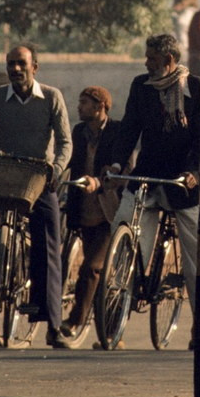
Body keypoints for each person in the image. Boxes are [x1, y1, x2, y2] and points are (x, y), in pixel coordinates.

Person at [0, 45, 72, 348]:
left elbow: (65, 142)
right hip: (5, 174)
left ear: (34, 67)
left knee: (49, 238)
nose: (16, 69)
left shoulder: (51, 97)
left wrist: (56, 170)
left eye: (21, 64)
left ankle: (53, 325)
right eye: (11, 64)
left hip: (39, 178)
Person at [106, 33, 200, 346]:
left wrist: (193, 173)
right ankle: (113, 323)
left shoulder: (196, 89)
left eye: (152, 59)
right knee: (124, 242)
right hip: (146, 177)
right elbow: (129, 128)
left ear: (169, 61)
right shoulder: (141, 86)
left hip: (181, 184)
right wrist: (119, 164)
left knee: (195, 260)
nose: (146, 64)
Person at [59, 86, 122, 342]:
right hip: (82, 210)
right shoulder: (78, 132)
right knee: (92, 272)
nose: (79, 107)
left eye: (84, 103)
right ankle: (109, 332)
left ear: (100, 106)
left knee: (92, 268)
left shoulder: (117, 131)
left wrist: (100, 180)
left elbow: (124, 165)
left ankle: (75, 322)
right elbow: (70, 163)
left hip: (108, 212)